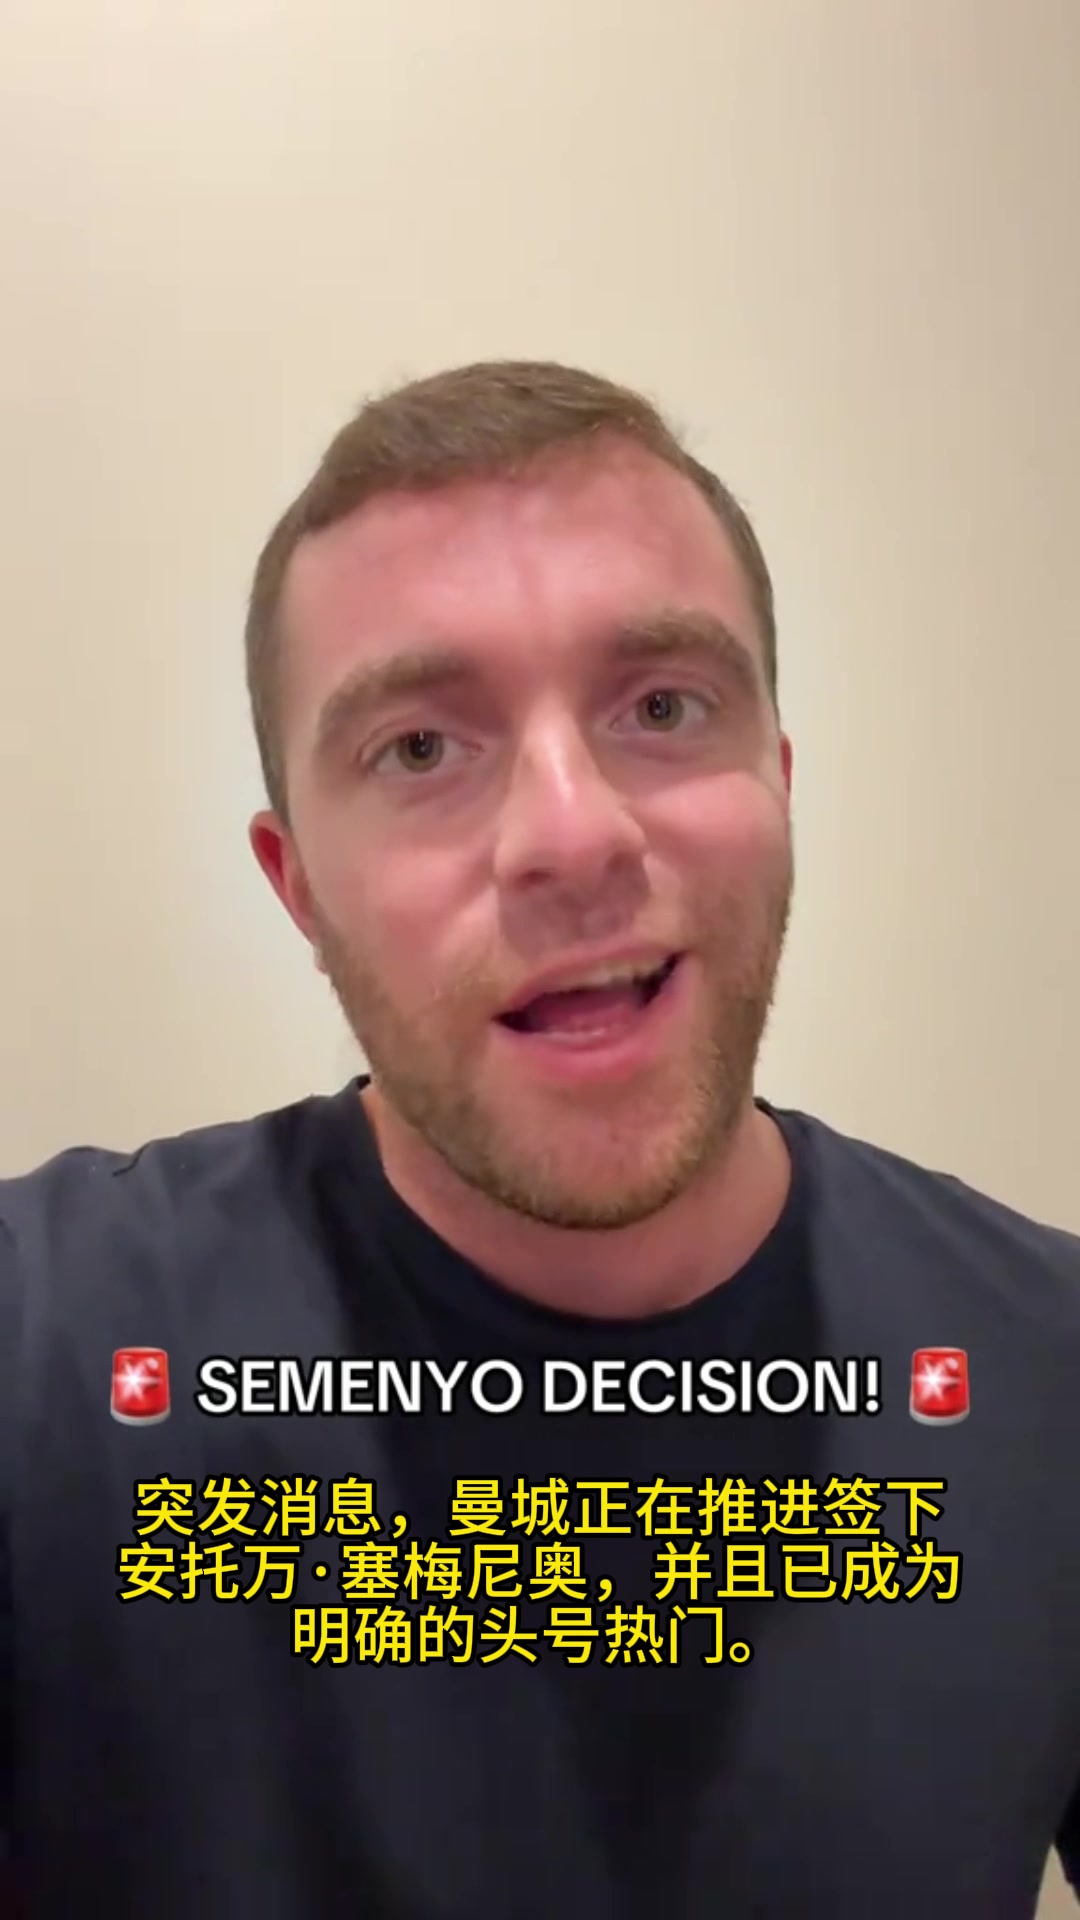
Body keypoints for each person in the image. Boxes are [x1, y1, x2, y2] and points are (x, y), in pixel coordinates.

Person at [1, 359, 1078, 1919]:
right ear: (298, 887)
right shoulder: (47, 1356)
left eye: (662, 707)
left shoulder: (1051, 1378)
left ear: (779, 787)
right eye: (420, 750)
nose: (574, 836)